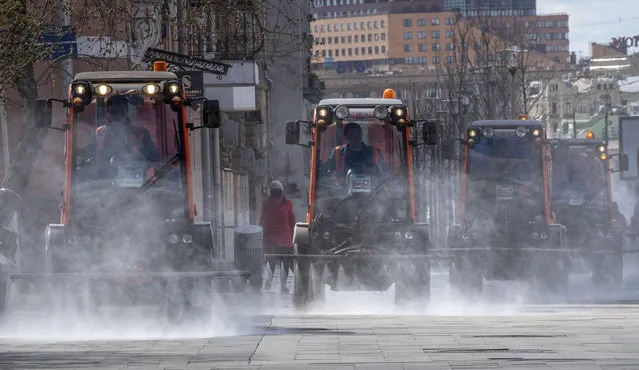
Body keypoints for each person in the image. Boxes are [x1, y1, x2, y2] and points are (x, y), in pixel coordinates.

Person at [79, 94, 160, 179]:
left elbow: (153, 159)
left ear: (127, 111)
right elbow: (86, 157)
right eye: (114, 111)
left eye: (121, 111)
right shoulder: (98, 133)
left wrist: (138, 160)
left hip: (138, 182)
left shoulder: (141, 133)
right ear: (108, 112)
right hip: (103, 183)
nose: (118, 115)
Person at [259, 180, 296, 293]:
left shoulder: (266, 204)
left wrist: (265, 235)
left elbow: (262, 222)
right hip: (285, 240)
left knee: (271, 261)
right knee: (285, 263)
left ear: (271, 191)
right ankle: (283, 286)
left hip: (271, 240)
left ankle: (269, 282)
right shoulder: (288, 203)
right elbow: (292, 221)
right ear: (281, 191)